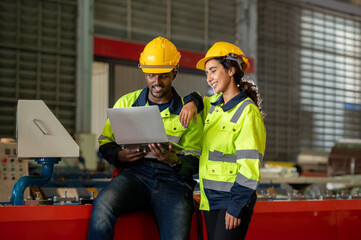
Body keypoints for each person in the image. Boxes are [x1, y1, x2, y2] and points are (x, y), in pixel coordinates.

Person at [88, 36, 203, 240]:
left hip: (173, 181)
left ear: (174, 73)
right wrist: (120, 156)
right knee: (102, 205)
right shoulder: (126, 102)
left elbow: (195, 162)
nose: (156, 82)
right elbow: (105, 142)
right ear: (144, 73)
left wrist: (174, 160)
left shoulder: (189, 112)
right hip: (135, 175)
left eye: (163, 76)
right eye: (151, 75)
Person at [179, 42, 266, 240]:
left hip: (233, 200)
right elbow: (195, 97)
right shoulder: (213, 105)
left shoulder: (247, 112)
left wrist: (236, 206)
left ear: (231, 70)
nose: (209, 78)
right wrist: (192, 103)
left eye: (213, 71)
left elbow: (250, 167)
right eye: (207, 73)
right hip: (210, 199)